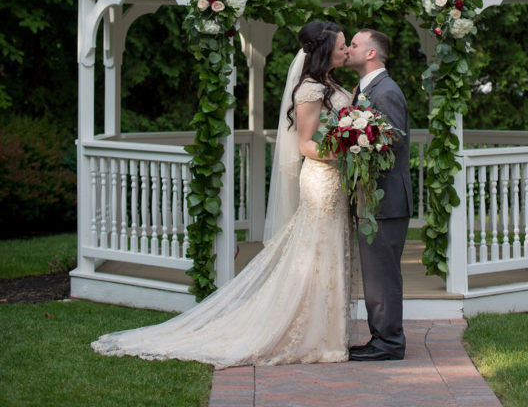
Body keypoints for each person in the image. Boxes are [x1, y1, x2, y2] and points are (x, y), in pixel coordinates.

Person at [91, 21, 353, 366]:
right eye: (341, 46)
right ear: (324, 52)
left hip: (334, 180)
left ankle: (327, 335)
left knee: (327, 253)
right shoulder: (309, 89)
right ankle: (312, 336)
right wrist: (348, 151)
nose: (347, 51)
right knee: (316, 253)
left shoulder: (329, 83)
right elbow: (306, 144)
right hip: (321, 180)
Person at [345, 28, 412, 361]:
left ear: (371, 53)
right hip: (374, 198)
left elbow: (392, 139)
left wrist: (352, 141)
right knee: (377, 274)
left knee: (382, 275)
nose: (348, 49)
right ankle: (381, 338)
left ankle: (389, 343)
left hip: (386, 199)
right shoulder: (366, 89)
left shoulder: (385, 92)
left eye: (354, 45)